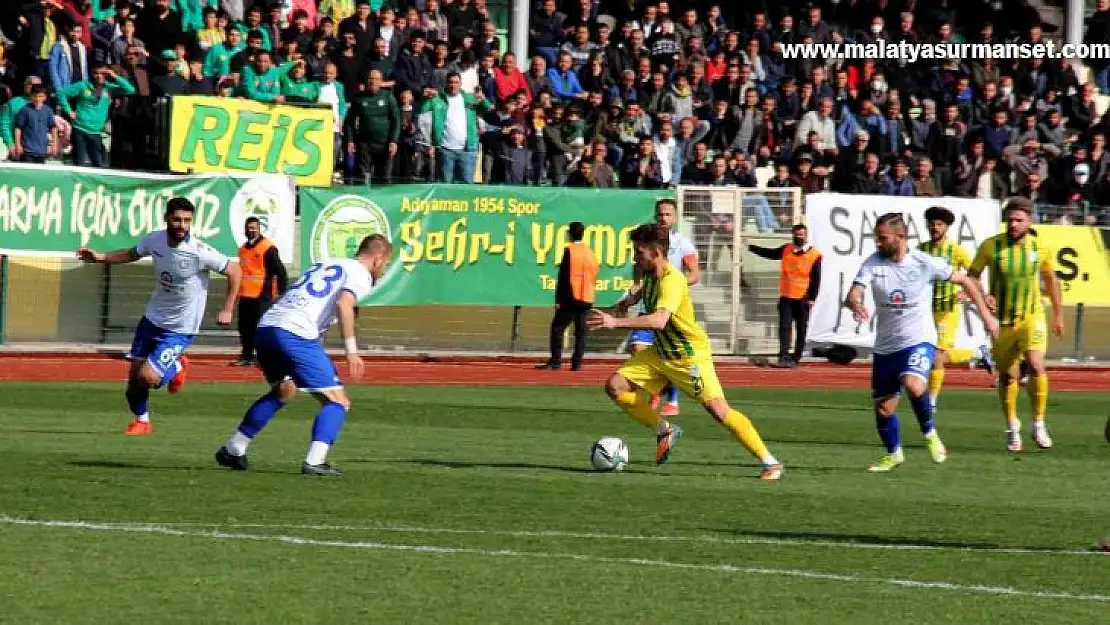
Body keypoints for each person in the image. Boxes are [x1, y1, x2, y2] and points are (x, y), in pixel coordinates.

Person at [589, 223, 783, 480]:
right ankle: (663, 429)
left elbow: (659, 320)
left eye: (639, 252)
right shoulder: (648, 272)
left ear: (657, 253)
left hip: (687, 356)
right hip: (660, 352)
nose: (635, 256)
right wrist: (623, 304)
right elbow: (640, 294)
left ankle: (770, 463)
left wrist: (615, 323)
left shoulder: (673, 280)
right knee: (615, 385)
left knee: (719, 411)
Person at [215, 234, 393, 476]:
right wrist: (352, 351)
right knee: (338, 401)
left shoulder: (325, 264)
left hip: (267, 327)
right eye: (385, 265)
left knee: (284, 390)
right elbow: (344, 305)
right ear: (378, 258)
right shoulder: (360, 273)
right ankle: (315, 461)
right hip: (293, 332)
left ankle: (234, 448)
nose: (383, 271)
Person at [845, 212, 998, 472]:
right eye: (876, 238)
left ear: (901, 237)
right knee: (884, 409)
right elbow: (854, 291)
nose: (878, 243)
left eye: (882, 238)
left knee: (914, 384)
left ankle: (929, 433)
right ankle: (894, 454)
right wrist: (856, 303)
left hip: (919, 340)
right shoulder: (873, 263)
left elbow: (966, 280)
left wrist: (986, 317)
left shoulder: (923, 263)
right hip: (886, 346)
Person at [76, 197, 242, 435]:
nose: (181, 225)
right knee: (133, 384)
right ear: (167, 218)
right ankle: (142, 421)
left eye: (187, 220)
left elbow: (235, 270)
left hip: (181, 328)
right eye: (177, 219)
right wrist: (101, 257)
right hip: (152, 320)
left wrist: (227, 308)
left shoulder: (199, 251)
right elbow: (132, 253)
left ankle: (177, 366)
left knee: (149, 377)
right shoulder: (155, 240)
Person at [968, 198, 1064, 452]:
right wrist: (984, 296)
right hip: (1003, 322)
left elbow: (1050, 279)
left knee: (1035, 364)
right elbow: (972, 277)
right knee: (1009, 376)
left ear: (1029, 221)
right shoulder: (991, 246)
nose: (1013, 224)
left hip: (1032, 316)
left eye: (1019, 220)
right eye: (1010, 219)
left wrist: (1058, 314)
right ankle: (1012, 425)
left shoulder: (1039, 247)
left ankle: (1039, 422)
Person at [620, 198, 698, 417]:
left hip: (670, 310)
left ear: (675, 217)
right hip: (649, 307)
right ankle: (657, 389)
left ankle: (672, 400)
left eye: (668, 214)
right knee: (637, 349)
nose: (663, 218)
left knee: (670, 355)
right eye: (660, 214)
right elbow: (638, 280)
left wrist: (673, 283)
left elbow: (694, 273)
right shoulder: (646, 242)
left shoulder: (683, 244)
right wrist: (629, 299)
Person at [917, 206, 993, 408]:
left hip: (947, 310)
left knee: (937, 356)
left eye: (939, 224)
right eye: (932, 224)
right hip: (924, 310)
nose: (935, 228)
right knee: (923, 353)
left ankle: (931, 401)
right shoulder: (920, 249)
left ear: (946, 228)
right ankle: (976, 353)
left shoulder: (956, 251)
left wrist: (971, 293)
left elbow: (974, 275)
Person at [747, 224, 821, 368]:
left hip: (803, 298)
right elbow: (771, 253)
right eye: (797, 234)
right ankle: (784, 355)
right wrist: (752, 248)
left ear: (806, 236)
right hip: (786, 296)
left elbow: (816, 278)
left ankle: (796, 356)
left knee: (801, 329)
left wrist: (812, 298)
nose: (799, 237)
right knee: (784, 327)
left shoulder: (814, 255)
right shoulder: (787, 249)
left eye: (802, 234)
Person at [538, 221, 598, 371]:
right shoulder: (590, 252)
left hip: (572, 297)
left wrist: (559, 299)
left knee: (558, 328)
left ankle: (556, 362)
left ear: (569, 234)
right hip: (587, 296)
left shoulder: (570, 250)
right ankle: (576, 364)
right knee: (581, 332)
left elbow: (564, 276)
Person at [233, 216, 288, 366]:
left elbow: (281, 271)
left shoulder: (267, 247)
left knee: (261, 328)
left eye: (253, 228)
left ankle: (263, 357)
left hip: (262, 295)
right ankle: (247, 356)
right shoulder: (243, 249)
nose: (251, 230)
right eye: (248, 227)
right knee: (244, 327)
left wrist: (282, 293)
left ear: (258, 228)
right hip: (245, 295)